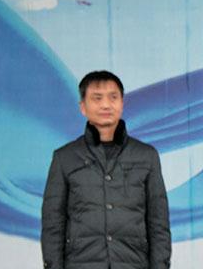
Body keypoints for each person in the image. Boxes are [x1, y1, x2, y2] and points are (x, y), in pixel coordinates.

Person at [41, 71, 171, 269]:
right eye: (97, 98)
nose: (106, 105)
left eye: (113, 97)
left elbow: (158, 224)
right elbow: (53, 225)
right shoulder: (64, 158)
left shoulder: (147, 156)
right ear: (83, 107)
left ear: (122, 104)